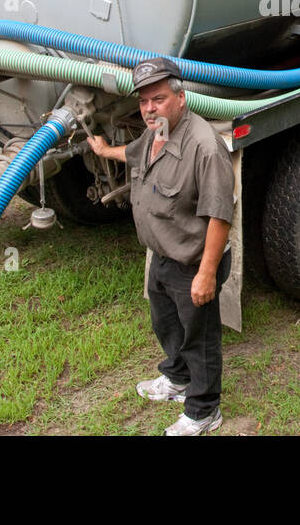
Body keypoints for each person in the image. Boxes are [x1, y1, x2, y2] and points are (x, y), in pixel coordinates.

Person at [86, 57, 234, 436]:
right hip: (163, 254)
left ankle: (204, 411)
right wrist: (104, 151)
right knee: (166, 323)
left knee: (199, 338)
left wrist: (205, 275)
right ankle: (177, 379)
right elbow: (134, 154)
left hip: (194, 261)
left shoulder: (204, 146)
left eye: (159, 99)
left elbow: (219, 216)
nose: (150, 108)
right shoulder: (156, 132)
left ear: (181, 98)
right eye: (144, 102)